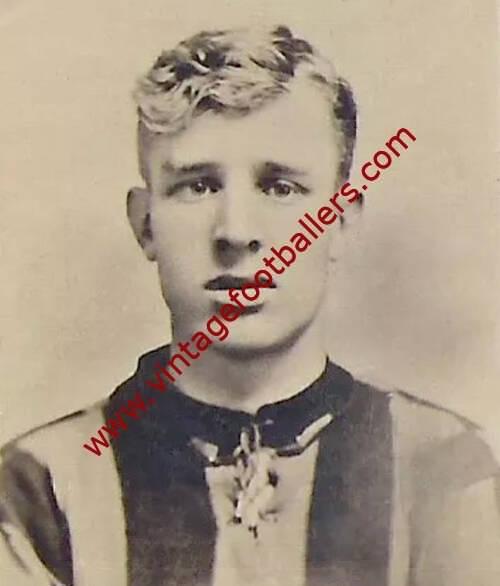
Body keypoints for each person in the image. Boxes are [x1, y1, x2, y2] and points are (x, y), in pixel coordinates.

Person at [1, 25, 499, 586]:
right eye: (198, 186)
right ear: (146, 223)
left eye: (280, 187)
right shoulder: (41, 487)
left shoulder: (443, 469)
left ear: (339, 222)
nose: (236, 232)